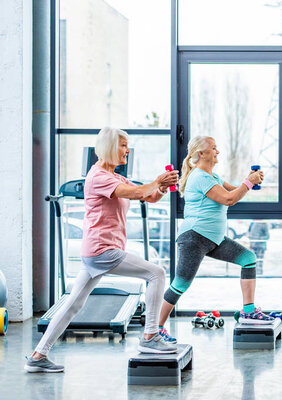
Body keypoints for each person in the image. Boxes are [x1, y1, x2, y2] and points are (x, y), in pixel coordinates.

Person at [25, 127, 179, 373]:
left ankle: (38, 354)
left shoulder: (116, 177)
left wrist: (161, 187)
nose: (127, 150)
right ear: (108, 147)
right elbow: (140, 191)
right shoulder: (97, 176)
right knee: (156, 273)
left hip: (96, 252)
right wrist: (156, 182)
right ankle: (150, 336)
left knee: (73, 304)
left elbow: (147, 196)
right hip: (103, 250)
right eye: (123, 145)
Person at [157, 136, 274, 343]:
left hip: (213, 239)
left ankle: (248, 311)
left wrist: (249, 180)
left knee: (248, 258)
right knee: (180, 285)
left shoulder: (213, 177)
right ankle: (155, 329)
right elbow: (229, 200)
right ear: (201, 154)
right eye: (213, 148)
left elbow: (234, 191)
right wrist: (249, 182)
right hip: (194, 238)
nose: (217, 151)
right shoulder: (199, 177)